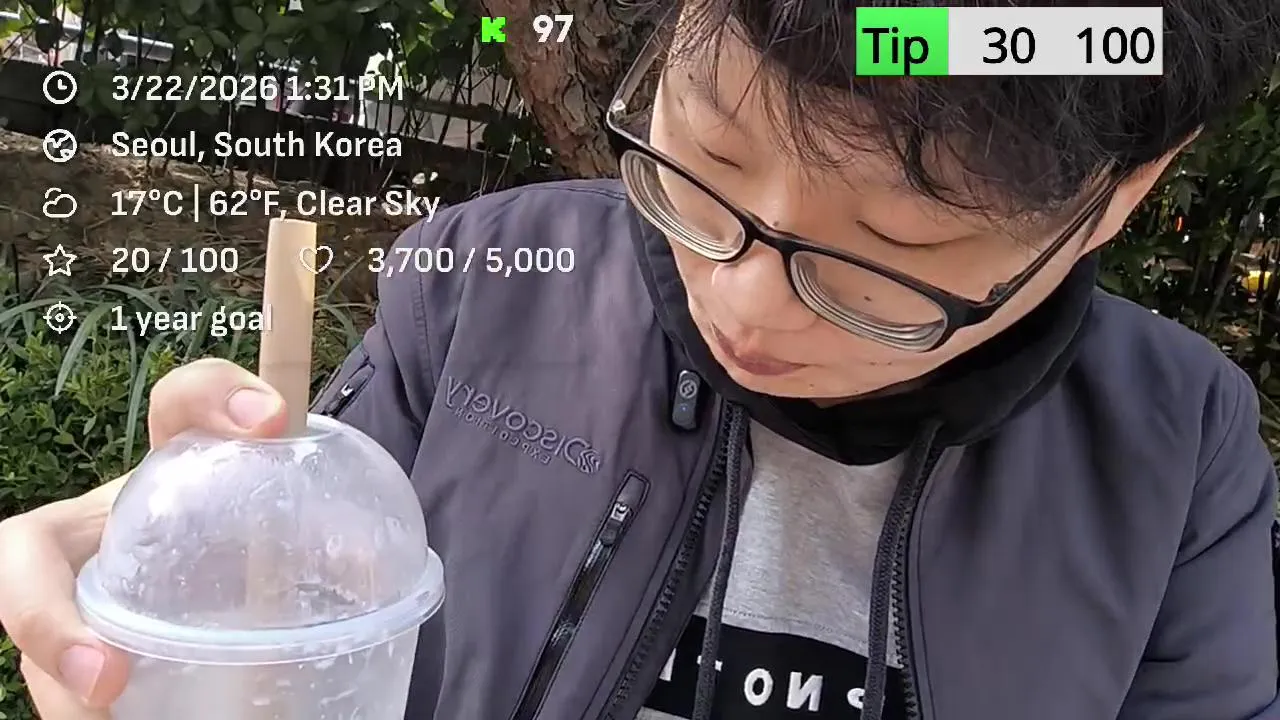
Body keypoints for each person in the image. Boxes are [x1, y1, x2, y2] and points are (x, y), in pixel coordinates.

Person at [5, 1, 1280, 719]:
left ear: (1120, 197)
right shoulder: (481, 289)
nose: (743, 302)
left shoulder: (1178, 460)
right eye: (707, 159)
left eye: (888, 254)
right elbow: (299, 618)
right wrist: (201, 576)